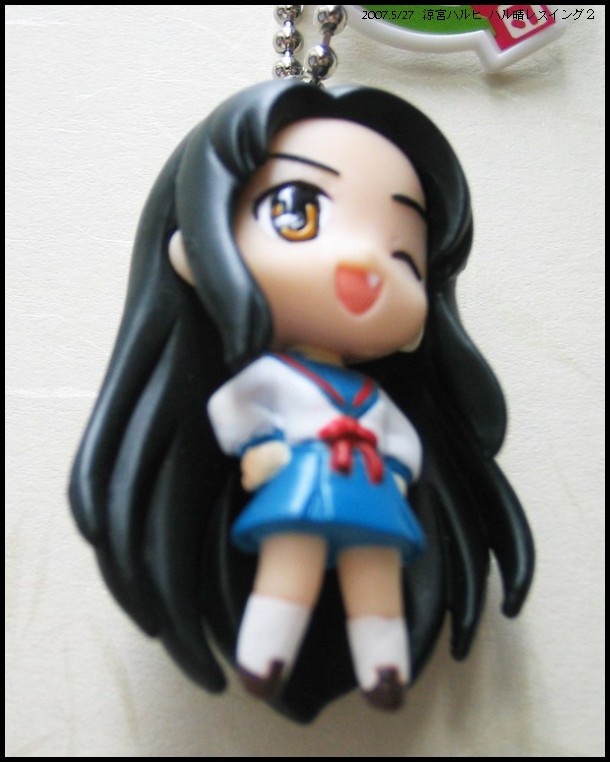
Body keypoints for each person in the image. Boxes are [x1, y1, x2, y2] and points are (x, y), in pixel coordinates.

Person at [69, 79, 534, 722]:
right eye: (297, 212)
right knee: (293, 554)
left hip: (369, 490)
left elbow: (402, 444)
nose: (365, 261)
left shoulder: (371, 395)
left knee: (375, 568)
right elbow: (235, 417)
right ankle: (267, 652)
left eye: (404, 254)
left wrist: (397, 475)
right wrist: (261, 453)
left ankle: (384, 665)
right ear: (193, 246)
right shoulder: (275, 381)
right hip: (304, 481)